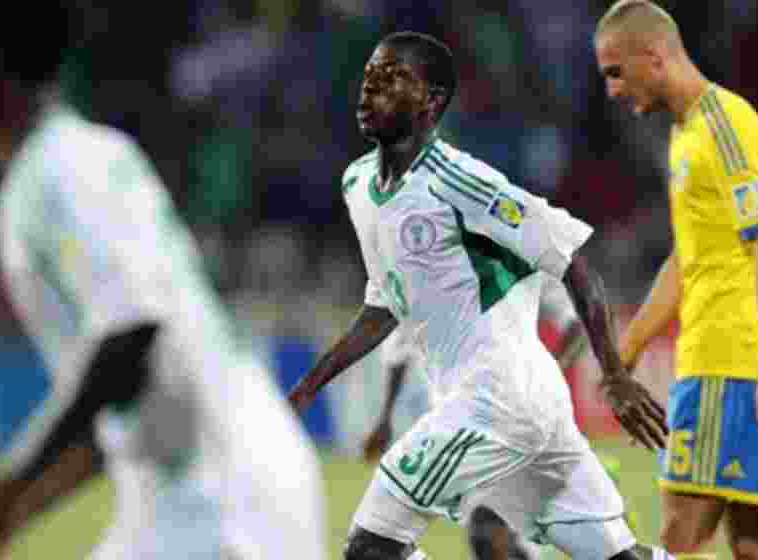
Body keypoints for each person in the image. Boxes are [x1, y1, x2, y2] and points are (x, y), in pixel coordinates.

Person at [0, 0, 325, 559]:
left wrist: (10, 482)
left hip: (215, 492)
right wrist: (9, 514)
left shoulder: (60, 167)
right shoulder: (59, 165)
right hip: (197, 488)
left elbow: (131, 335)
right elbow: (110, 412)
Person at [288, 30, 671, 560]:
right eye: (371, 74)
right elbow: (384, 306)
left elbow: (573, 261)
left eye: (393, 77)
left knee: (372, 547)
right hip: (515, 404)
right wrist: (309, 384)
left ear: (433, 102)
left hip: (496, 398)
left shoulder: (458, 180)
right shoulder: (358, 185)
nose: (371, 86)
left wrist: (615, 375)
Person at [593, 0, 758, 560]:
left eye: (615, 72)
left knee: (678, 540)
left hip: (732, 365)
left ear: (653, 57)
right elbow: (690, 257)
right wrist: (629, 344)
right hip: (723, 361)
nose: (612, 90)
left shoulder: (726, 128)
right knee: (756, 548)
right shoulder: (686, 134)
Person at [361, 278, 638, 560]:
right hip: (457, 431)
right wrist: (384, 418)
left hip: (513, 418)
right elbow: (398, 350)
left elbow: (576, 321)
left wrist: (539, 383)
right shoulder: (422, 272)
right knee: (491, 539)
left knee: (489, 529)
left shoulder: (521, 253)